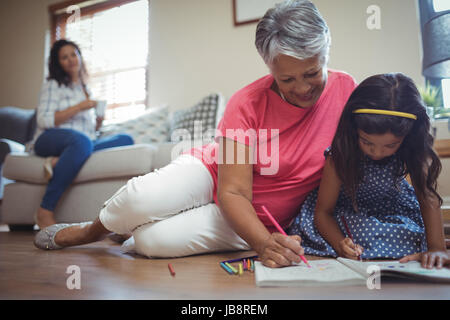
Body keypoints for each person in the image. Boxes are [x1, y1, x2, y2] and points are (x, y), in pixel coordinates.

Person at [34, 0, 356, 268]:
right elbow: (233, 192)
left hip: (257, 214)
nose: (302, 89)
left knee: (152, 242)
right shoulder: (247, 103)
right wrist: (262, 244)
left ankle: (129, 230)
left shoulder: (348, 93)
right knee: (141, 198)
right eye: (287, 80)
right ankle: (88, 232)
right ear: (269, 67)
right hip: (216, 175)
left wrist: (268, 235)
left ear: (326, 54)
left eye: (312, 73)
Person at [287, 73, 449, 269]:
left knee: (414, 233)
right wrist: (340, 243)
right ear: (354, 128)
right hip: (347, 213)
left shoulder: (413, 150)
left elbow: (427, 199)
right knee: (365, 230)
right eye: (367, 142)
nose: (377, 152)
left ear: (407, 135)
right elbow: (323, 213)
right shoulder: (340, 154)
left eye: (390, 145)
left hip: (393, 211)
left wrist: (436, 247)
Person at [31, 39, 134, 229]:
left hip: (80, 142)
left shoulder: (85, 90)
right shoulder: (53, 85)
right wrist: (79, 107)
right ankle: (45, 210)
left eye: (73, 54)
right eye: (64, 57)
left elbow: (88, 134)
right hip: (49, 138)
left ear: (79, 57)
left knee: (126, 139)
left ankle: (62, 160)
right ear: (57, 63)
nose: (70, 59)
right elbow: (44, 120)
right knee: (82, 142)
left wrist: (98, 122)